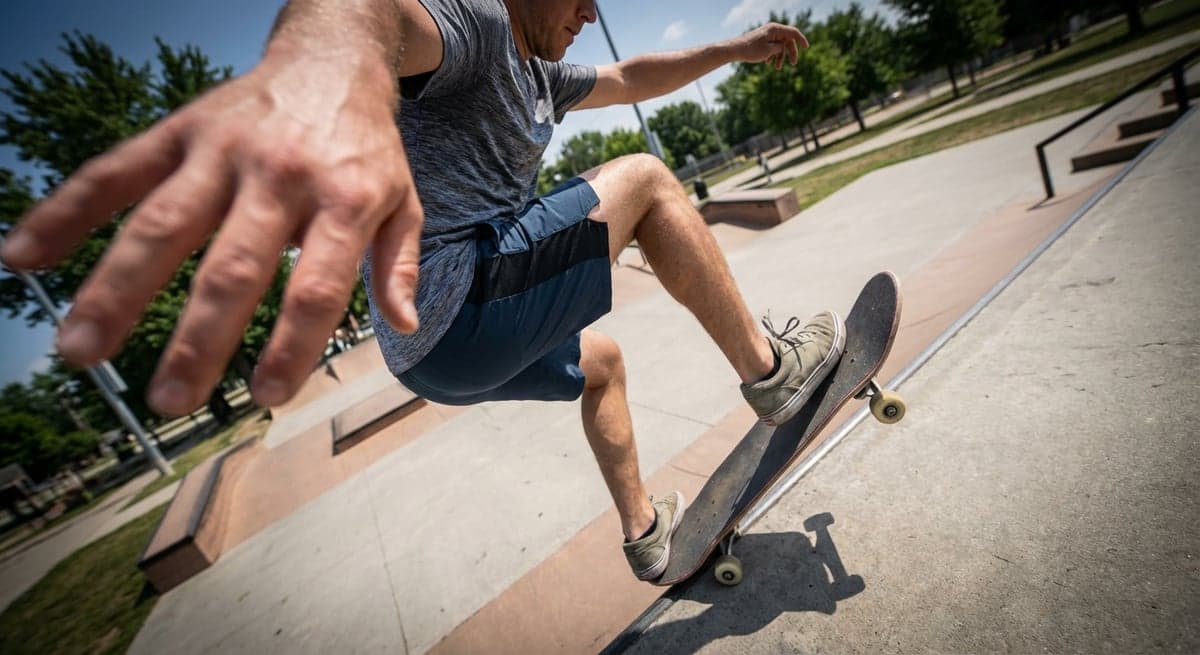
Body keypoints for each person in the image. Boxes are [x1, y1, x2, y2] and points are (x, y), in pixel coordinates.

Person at [0, 0, 844, 582]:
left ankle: (645, 534)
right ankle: (774, 371)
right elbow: (373, 16)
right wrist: (318, 54)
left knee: (604, 363)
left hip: (431, 357)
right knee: (650, 180)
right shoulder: (473, 24)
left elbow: (632, 76)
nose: (588, 13)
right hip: (466, 301)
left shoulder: (542, 74)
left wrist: (729, 50)